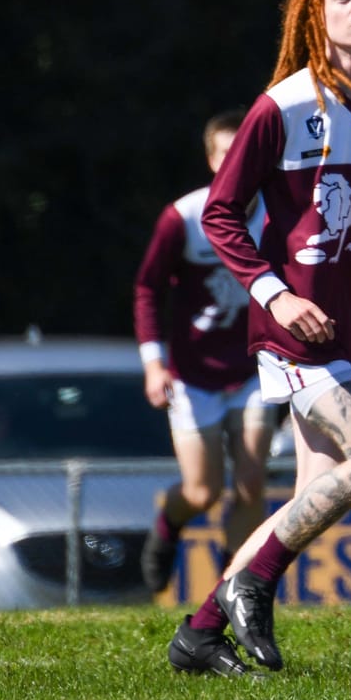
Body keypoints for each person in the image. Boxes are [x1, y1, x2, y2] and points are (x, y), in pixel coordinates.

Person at [164, 0, 351, 678]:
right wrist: (276, 294)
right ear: (315, 18)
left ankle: (200, 631)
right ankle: (249, 586)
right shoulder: (283, 106)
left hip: (350, 326)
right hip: (291, 330)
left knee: (310, 499)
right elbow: (223, 213)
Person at [134, 110, 275, 593]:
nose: (236, 160)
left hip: (255, 369)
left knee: (251, 480)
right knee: (202, 490)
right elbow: (148, 288)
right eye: (226, 152)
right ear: (213, 161)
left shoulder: (278, 215)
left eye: (245, 151)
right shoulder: (184, 217)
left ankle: (232, 591)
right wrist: (154, 364)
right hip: (193, 375)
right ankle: (166, 528)